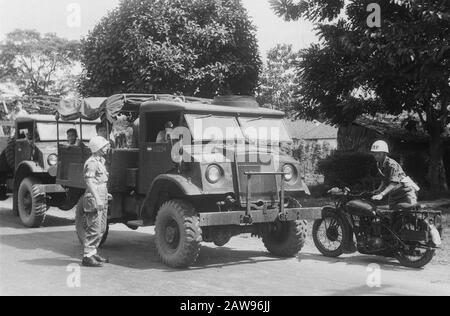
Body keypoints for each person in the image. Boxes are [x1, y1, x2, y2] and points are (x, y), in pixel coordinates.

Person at [76, 136, 111, 267]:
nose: (107, 148)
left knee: (101, 228)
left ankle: (93, 252)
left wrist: (105, 194)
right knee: (94, 228)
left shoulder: (100, 161)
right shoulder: (92, 163)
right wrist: (97, 198)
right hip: (94, 197)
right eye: (104, 146)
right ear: (97, 148)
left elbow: (100, 180)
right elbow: (89, 182)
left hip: (101, 195)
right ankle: (87, 256)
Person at [370, 140, 420, 209]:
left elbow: (394, 183)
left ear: (385, 154)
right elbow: (384, 179)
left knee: (409, 213)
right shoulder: (379, 164)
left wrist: (382, 194)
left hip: (406, 191)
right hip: (394, 193)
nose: (376, 156)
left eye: (379, 154)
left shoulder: (392, 165)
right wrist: (379, 190)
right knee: (393, 213)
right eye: (374, 154)